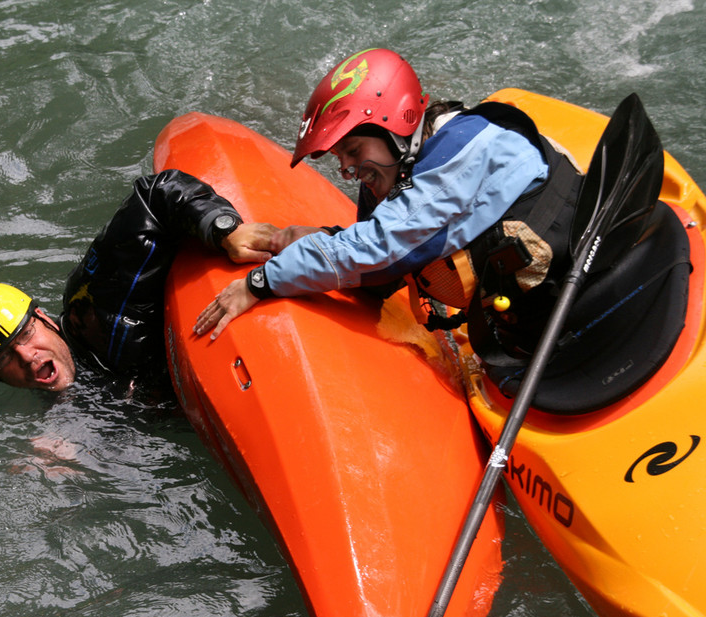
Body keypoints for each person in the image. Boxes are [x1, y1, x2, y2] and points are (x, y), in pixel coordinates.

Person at [194, 47, 690, 413]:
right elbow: (379, 268)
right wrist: (288, 240)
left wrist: (262, 282)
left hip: (591, 305)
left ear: (392, 122)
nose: (346, 169)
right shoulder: (394, 168)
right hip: (524, 319)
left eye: (351, 151)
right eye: (341, 158)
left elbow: (376, 249)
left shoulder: (461, 149)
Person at [0, 169, 276, 392]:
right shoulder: (60, 403)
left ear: (43, 319)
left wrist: (223, 228)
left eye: (26, 333)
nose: (27, 357)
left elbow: (155, 195)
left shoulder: (100, 302)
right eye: (5, 358)